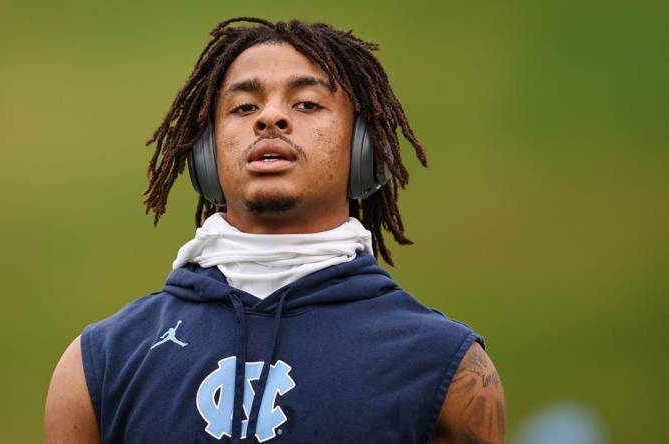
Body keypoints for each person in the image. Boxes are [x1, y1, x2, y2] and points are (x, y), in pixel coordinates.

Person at [44, 17, 505, 444]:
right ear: (206, 152)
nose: (270, 119)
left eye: (307, 103)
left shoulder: (444, 366)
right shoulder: (101, 362)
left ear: (366, 149)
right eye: (244, 107)